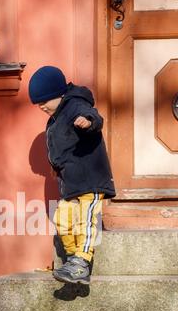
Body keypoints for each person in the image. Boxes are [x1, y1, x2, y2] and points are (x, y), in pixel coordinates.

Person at [29, 66, 116, 285]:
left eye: (43, 101)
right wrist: (55, 165)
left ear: (58, 94)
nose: (40, 107)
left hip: (92, 179)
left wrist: (88, 122)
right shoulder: (56, 117)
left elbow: (93, 117)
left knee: (85, 222)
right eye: (37, 104)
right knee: (63, 220)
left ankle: (82, 262)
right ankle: (71, 260)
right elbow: (61, 146)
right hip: (71, 183)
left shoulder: (76, 104)